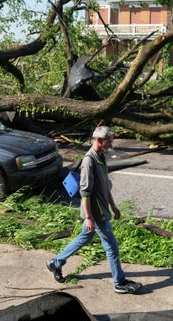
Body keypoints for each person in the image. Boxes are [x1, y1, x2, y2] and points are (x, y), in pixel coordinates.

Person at [46, 126, 142, 294]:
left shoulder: (101, 157)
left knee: (84, 237)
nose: (110, 145)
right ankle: (119, 282)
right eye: (108, 142)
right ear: (98, 140)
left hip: (102, 209)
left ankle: (56, 262)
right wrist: (89, 217)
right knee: (112, 246)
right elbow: (85, 193)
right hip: (96, 213)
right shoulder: (89, 161)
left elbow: (105, 185)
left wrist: (113, 205)